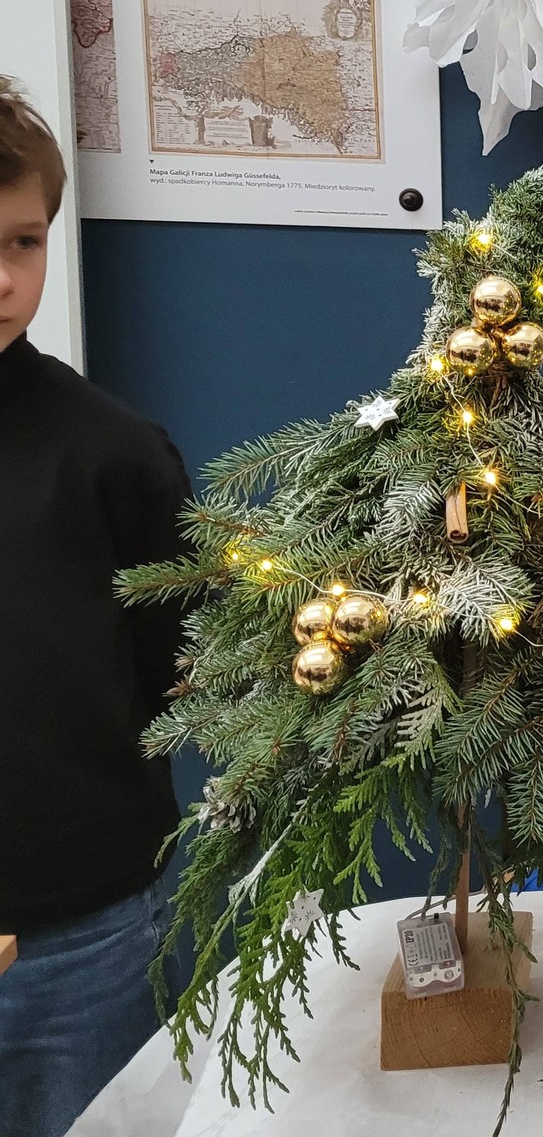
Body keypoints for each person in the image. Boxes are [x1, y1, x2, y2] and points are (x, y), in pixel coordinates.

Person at [0, 78, 193, 1137]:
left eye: (23, 243)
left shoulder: (115, 454)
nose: (3, 277)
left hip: (88, 937)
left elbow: (177, 677)